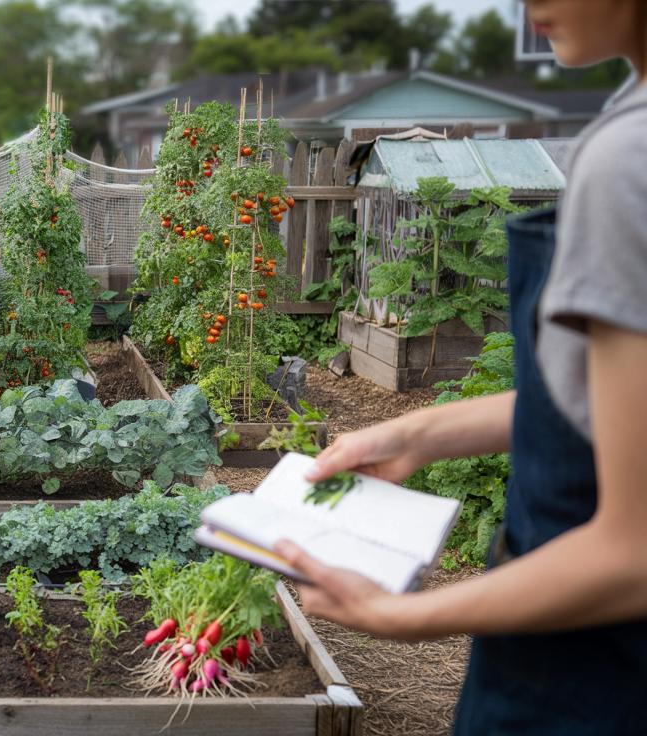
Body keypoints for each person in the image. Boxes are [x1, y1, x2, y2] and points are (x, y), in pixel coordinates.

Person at [273, 1, 647, 733]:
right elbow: (602, 408)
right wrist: (416, 435)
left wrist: (402, 614)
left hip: (593, 671)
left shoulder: (627, 161)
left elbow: (633, 552)